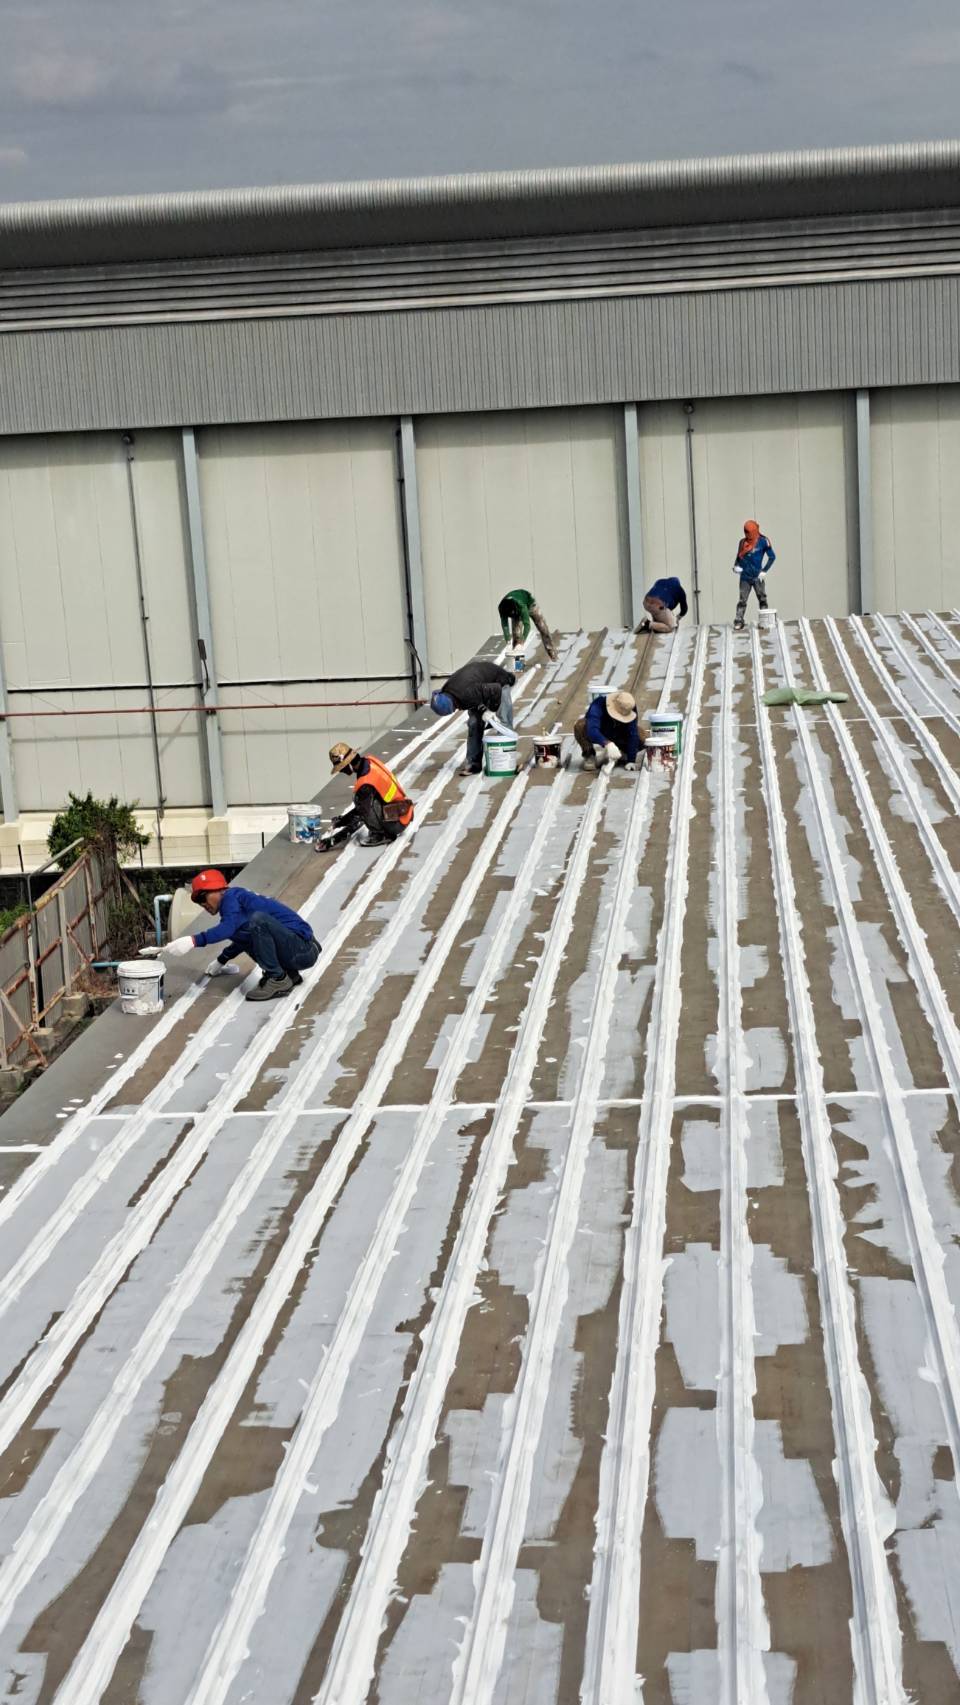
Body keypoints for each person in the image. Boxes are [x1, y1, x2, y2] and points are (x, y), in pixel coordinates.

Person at [161, 869, 321, 1001]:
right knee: (244, 931)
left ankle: (278, 978)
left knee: (258, 921)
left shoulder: (230, 897)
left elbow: (226, 929)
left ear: (220, 890)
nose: (203, 904)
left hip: (303, 949)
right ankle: (289, 975)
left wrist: (193, 941)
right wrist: (222, 960)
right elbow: (240, 936)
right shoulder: (238, 900)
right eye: (198, 902)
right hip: (299, 951)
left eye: (203, 897)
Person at [431, 658, 515, 776]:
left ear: (452, 704)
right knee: (474, 724)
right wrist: (482, 711)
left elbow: (495, 689)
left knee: (504, 722)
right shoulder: (448, 691)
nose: (456, 710)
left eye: (454, 708)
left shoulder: (466, 693)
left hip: (498, 682)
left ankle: (506, 764)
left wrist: (491, 710)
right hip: (480, 686)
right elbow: (475, 698)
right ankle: (473, 764)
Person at [320, 744, 413, 849]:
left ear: (349, 764)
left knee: (360, 800)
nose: (341, 771)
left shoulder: (365, 783)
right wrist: (342, 821)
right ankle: (381, 828)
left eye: (341, 767)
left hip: (397, 823)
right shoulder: (369, 762)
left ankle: (380, 835)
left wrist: (338, 829)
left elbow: (360, 813)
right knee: (365, 800)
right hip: (402, 811)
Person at [573, 690, 644, 771]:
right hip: (602, 731)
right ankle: (589, 755)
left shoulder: (629, 706)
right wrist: (607, 743)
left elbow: (632, 733)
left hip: (619, 733)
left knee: (643, 738)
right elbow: (592, 730)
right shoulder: (598, 705)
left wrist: (631, 760)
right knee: (580, 726)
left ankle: (624, 752)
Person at [733, 520, 776, 630]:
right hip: (745, 577)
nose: (747, 534)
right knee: (742, 600)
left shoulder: (763, 541)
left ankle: (764, 621)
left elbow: (772, 557)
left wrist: (764, 570)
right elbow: (739, 557)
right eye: (745, 531)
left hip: (757, 576)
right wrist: (736, 566)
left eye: (749, 531)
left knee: (762, 599)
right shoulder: (742, 542)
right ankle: (739, 620)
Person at [498, 589, 558, 661]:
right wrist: (508, 641)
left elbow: (527, 625)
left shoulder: (521, 606)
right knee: (516, 634)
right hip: (515, 610)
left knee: (542, 627)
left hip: (531, 605)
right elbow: (505, 626)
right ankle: (518, 661)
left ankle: (552, 653)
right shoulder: (502, 608)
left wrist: (522, 642)